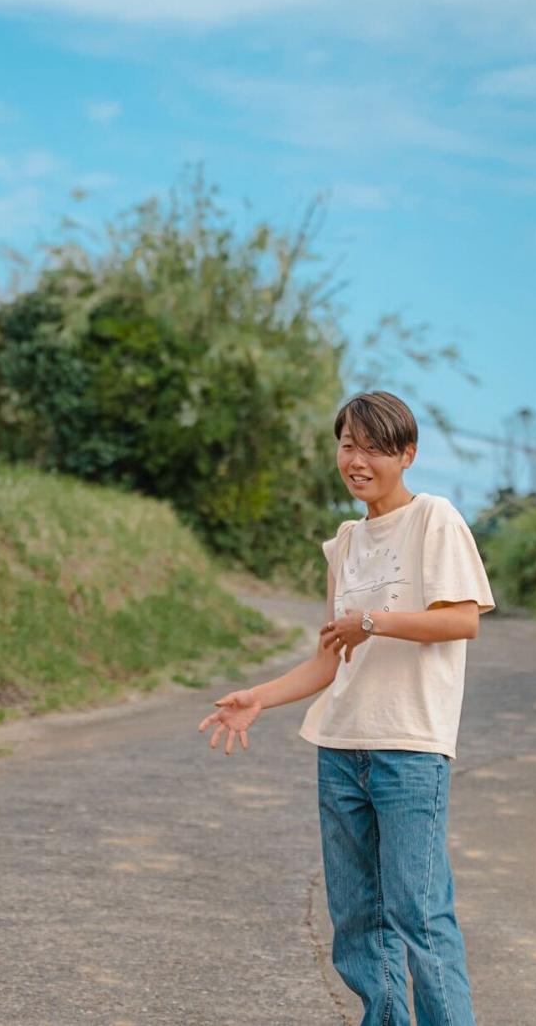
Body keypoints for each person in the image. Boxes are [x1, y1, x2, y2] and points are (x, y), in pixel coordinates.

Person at [198, 390, 494, 1026]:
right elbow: (329, 659)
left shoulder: (434, 519)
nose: (357, 460)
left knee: (418, 913)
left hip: (410, 747)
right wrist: (260, 697)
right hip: (340, 748)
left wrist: (371, 619)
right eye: (347, 445)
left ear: (407, 454)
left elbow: (463, 620)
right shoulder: (344, 543)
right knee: (357, 917)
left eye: (373, 447)